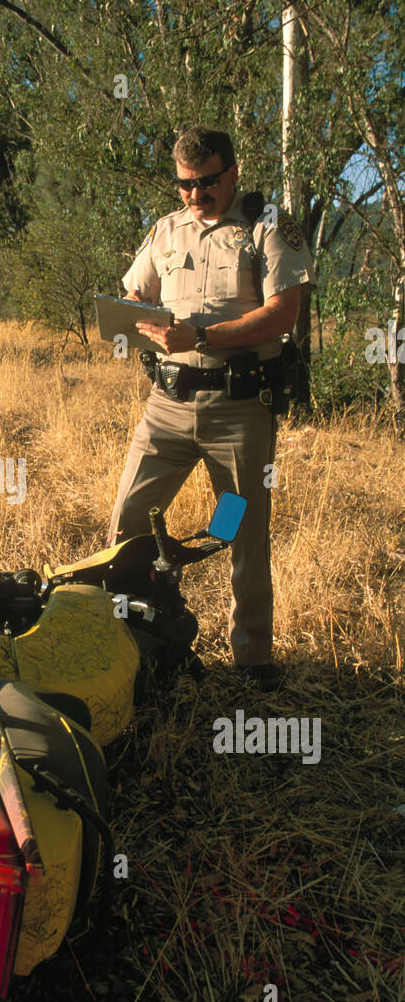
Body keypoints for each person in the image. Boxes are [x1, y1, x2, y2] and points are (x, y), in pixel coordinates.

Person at [106, 125, 316, 688]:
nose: (195, 197)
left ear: (233, 173)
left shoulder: (268, 225)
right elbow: (134, 295)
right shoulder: (167, 231)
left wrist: (200, 337)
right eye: (184, 186)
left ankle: (251, 663)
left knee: (240, 532)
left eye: (207, 184)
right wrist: (137, 317)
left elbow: (281, 316)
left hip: (239, 409)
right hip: (167, 407)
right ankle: (128, 643)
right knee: (127, 523)